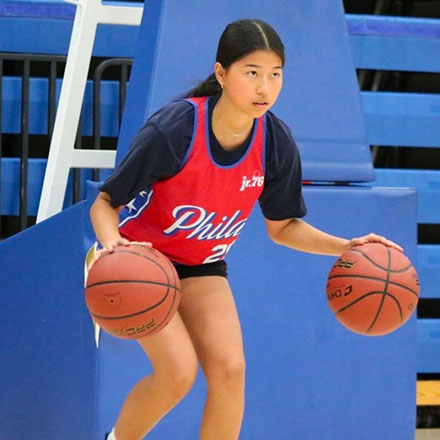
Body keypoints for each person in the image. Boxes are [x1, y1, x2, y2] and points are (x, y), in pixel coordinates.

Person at [89, 18, 402, 440]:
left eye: (275, 75)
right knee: (178, 373)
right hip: (141, 262)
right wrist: (113, 249)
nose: (264, 88)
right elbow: (105, 204)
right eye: (252, 73)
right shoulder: (175, 130)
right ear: (221, 74)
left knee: (231, 371)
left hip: (201, 263)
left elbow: (284, 227)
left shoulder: (276, 142)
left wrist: (348, 247)